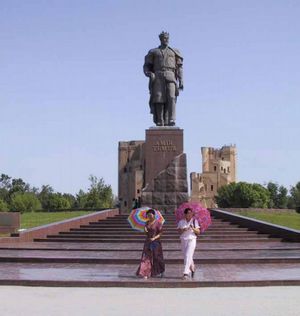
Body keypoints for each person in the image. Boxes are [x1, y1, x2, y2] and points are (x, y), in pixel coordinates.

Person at [143, 31, 184, 126]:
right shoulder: (153, 52)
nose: (166, 40)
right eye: (164, 38)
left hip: (171, 75)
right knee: (159, 98)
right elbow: (146, 66)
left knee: (171, 97)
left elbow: (180, 67)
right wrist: (149, 73)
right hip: (158, 75)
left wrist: (181, 80)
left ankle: (172, 119)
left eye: (167, 38)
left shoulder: (174, 52)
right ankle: (160, 120)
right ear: (160, 39)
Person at [136, 209, 165, 279]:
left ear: (154, 215)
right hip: (148, 242)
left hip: (155, 242)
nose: (149, 216)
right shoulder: (146, 223)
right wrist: (144, 230)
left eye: (150, 215)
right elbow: (146, 233)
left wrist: (154, 238)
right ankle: (145, 272)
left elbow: (161, 233)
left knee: (156, 257)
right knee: (146, 257)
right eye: (148, 215)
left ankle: (160, 270)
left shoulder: (158, 223)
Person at [177, 207, 200, 280]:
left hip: (192, 240)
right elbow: (179, 231)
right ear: (185, 214)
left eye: (191, 213)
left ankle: (186, 273)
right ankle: (192, 267)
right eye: (188, 213)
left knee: (188, 255)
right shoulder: (181, 222)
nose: (190, 215)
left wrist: (193, 228)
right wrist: (184, 229)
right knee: (187, 256)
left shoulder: (194, 221)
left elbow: (198, 232)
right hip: (184, 240)